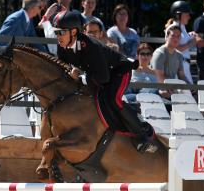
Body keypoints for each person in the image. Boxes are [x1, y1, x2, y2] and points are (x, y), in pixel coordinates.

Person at [52, 10, 158, 153]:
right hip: (98, 73)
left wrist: (81, 76)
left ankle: (143, 132)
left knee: (113, 99)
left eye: (61, 32)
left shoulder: (91, 46)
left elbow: (103, 78)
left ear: (74, 32)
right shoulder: (62, 46)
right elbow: (65, 66)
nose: (58, 37)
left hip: (118, 71)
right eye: (56, 32)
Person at [151, 25, 187, 98]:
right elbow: (159, 78)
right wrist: (176, 87)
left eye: (178, 36)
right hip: (157, 90)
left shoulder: (179, 55)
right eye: (173, 35)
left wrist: (190, 88)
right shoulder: (159, 53)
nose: (176, 38)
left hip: (172, 89)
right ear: (167, 37)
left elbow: (182, 76)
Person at [166, 0, 198, 84]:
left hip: (185, 65)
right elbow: (172, 49)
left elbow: (182, 41)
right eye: (187, 14)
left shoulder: (182, 28)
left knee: (189, 93)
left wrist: (190, 35)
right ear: (178, 15)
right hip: (177, 66)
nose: (189, 17)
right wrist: (190, 43)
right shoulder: (173, 28)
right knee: (186, 93)